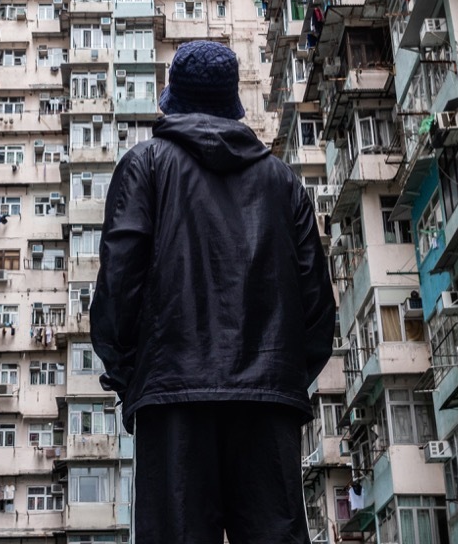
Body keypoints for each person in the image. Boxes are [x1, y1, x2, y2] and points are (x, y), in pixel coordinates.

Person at [90, 40, 335, 544]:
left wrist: (130, 373)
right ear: (231, 103)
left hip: (172, 394)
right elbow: (316, 307)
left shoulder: (144, 166)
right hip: (267, 404)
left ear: (172, 98)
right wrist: (279, 378)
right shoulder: (283, 181)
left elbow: (119, 284)